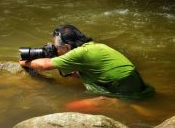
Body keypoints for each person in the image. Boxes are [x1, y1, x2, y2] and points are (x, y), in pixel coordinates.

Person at [19, 25, 155, 100]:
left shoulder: (78, 53)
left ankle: (114, 103)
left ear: (66, 47)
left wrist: (24, 63)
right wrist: (78, 74)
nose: (55, 50)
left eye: (56, 47)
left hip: (124, 91)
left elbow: (44, 65)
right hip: (138, 84)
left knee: (70, 106)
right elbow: (98, 70)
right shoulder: (98, 46)